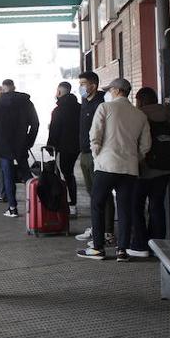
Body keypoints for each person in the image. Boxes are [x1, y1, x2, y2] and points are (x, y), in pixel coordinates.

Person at [77, 78, 151, 262]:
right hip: (129, 168)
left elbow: (95, 134)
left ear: (117, 90)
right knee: (125, 208)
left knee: (97, 204)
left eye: (110, 89)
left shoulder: (105, 107)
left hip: (106, 165)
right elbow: (146, 145)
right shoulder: (140, 115)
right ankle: (122, 250)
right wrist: (135, 157)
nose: (109, 92)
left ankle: (98, 248)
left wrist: (97, 155)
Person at [129, 87, 170, 258]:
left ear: (140, 101)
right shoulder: (168, 114)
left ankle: (140, 244)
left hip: (145, 169)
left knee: (136, 206)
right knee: (157, 206)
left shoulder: (139, 116)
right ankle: (158, 246)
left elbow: (136, 142)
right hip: (166, 169)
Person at [0, 79, 38, 218]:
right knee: (26, 174)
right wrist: (29, 141)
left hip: (3, 144)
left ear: (3, 89)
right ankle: (35, 205)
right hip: (21, 143)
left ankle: (13, 208)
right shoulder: (26, 102)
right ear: (14, 87)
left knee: (8, 176)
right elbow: (35, 123)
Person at [74, 71, 111, 243]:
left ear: (93, 86)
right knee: (92, 193)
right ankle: (97, 227)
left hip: (97, 154)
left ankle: (107, 231)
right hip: (85, 153)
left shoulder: (101, 104)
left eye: (83, 84)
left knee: (103, 193)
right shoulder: (85, 102)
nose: (80, 87)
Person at [46, 81, 82, 217]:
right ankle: (72, 204)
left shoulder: (58, 110)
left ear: (59, 92)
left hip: (63, 148)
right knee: (69, 174)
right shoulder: (80, 107)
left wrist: (50, 147)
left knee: (64, 175)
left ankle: (67, 204)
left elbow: (54, 131)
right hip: (77, 146)